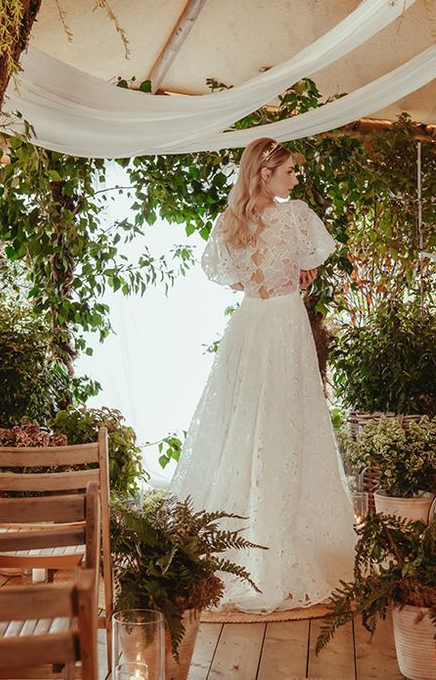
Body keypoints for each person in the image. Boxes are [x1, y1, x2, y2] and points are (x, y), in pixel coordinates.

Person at [169, 137, 356, 613]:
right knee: (283, 422)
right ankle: (277, 547)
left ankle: (244, 546)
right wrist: (297, 271)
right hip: (283, 321)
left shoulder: (230, 222)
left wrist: (261, 280)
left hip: (252, 322)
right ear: (264, 175)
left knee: (247, 422)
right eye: (289, 171)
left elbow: (220, 270)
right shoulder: (295, 216)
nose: (295, 179)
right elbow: (318, 253)